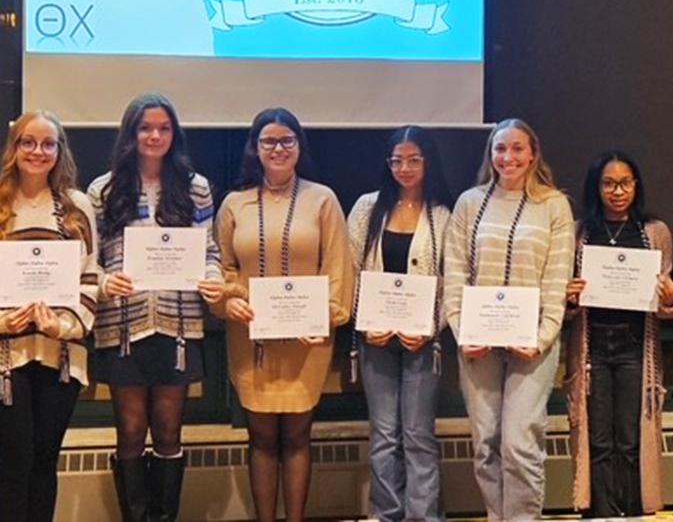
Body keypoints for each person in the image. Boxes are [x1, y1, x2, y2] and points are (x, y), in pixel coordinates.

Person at [212, 108, 354, 522]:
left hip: (307, 340)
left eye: (287, 140)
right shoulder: (233, 203)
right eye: (268, 141)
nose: (278, 148)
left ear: (299, 146)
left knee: (296, 436)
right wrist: (229, 300)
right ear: (254, 149)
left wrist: (325, 318)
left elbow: (338, 266)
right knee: (260, 437)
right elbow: (220, 268)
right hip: (249, 335)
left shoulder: (322, 198)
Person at [88, 93, 223, 522]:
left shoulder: (195, 187)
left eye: (164, 128)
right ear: (130, 134)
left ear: (174, 135)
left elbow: (210, 251)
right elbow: (91, 261)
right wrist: (107, 283)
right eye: (145, 128)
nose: (154, 136)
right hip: (122, 326)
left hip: (177, 326)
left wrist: (213, 277)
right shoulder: (103, 189)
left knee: (168, 429)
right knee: (129, 430)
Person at [443, 118, 574, 521]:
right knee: (485, 442)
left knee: (519, 444)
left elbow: (557, 276)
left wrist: (542, 335)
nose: (508, 157)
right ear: (491, 154)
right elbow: (454, 271)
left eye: (517, 148)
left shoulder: (553, 205)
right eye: (501, 148)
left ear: (533, 153)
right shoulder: (469, 203)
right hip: (478, 345)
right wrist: (463, 331)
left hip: (532, 345)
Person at [563, 150, 673, 517]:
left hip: (635, 348)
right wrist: (570, 296)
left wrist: (671, 297)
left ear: (637, 186)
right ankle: (599, 512)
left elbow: (668, 302)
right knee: (597, 438)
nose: (617, 191)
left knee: (631, 439)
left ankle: (631, 512)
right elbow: (565, 301)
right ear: (596, 187)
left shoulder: (654, 233)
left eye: (625, 183)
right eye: (609, 183)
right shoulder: (580, 232)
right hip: (592, 348)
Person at [346, 126, 452, 522]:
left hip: (423, 341)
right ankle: (386, 513)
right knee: (384, 434)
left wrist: (431, 327)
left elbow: (451, 281)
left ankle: (423, 515)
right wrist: (362, 322)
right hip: (375, 340)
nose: (404, 168)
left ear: (428, 162)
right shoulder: (365, 208)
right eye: (396, 160)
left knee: (419, 436)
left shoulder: (442, 214)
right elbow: (350, 271)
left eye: (413, 160)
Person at [0, 111, 99, 522]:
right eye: (29, 142)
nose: (38, 152)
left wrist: (65, 325)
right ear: (15, 148)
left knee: (45, 461)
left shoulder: (78, 207)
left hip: (60, 355)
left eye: (47, 144)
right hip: (6, 357)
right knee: (12, 464)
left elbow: (91, 275)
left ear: (60, 151)